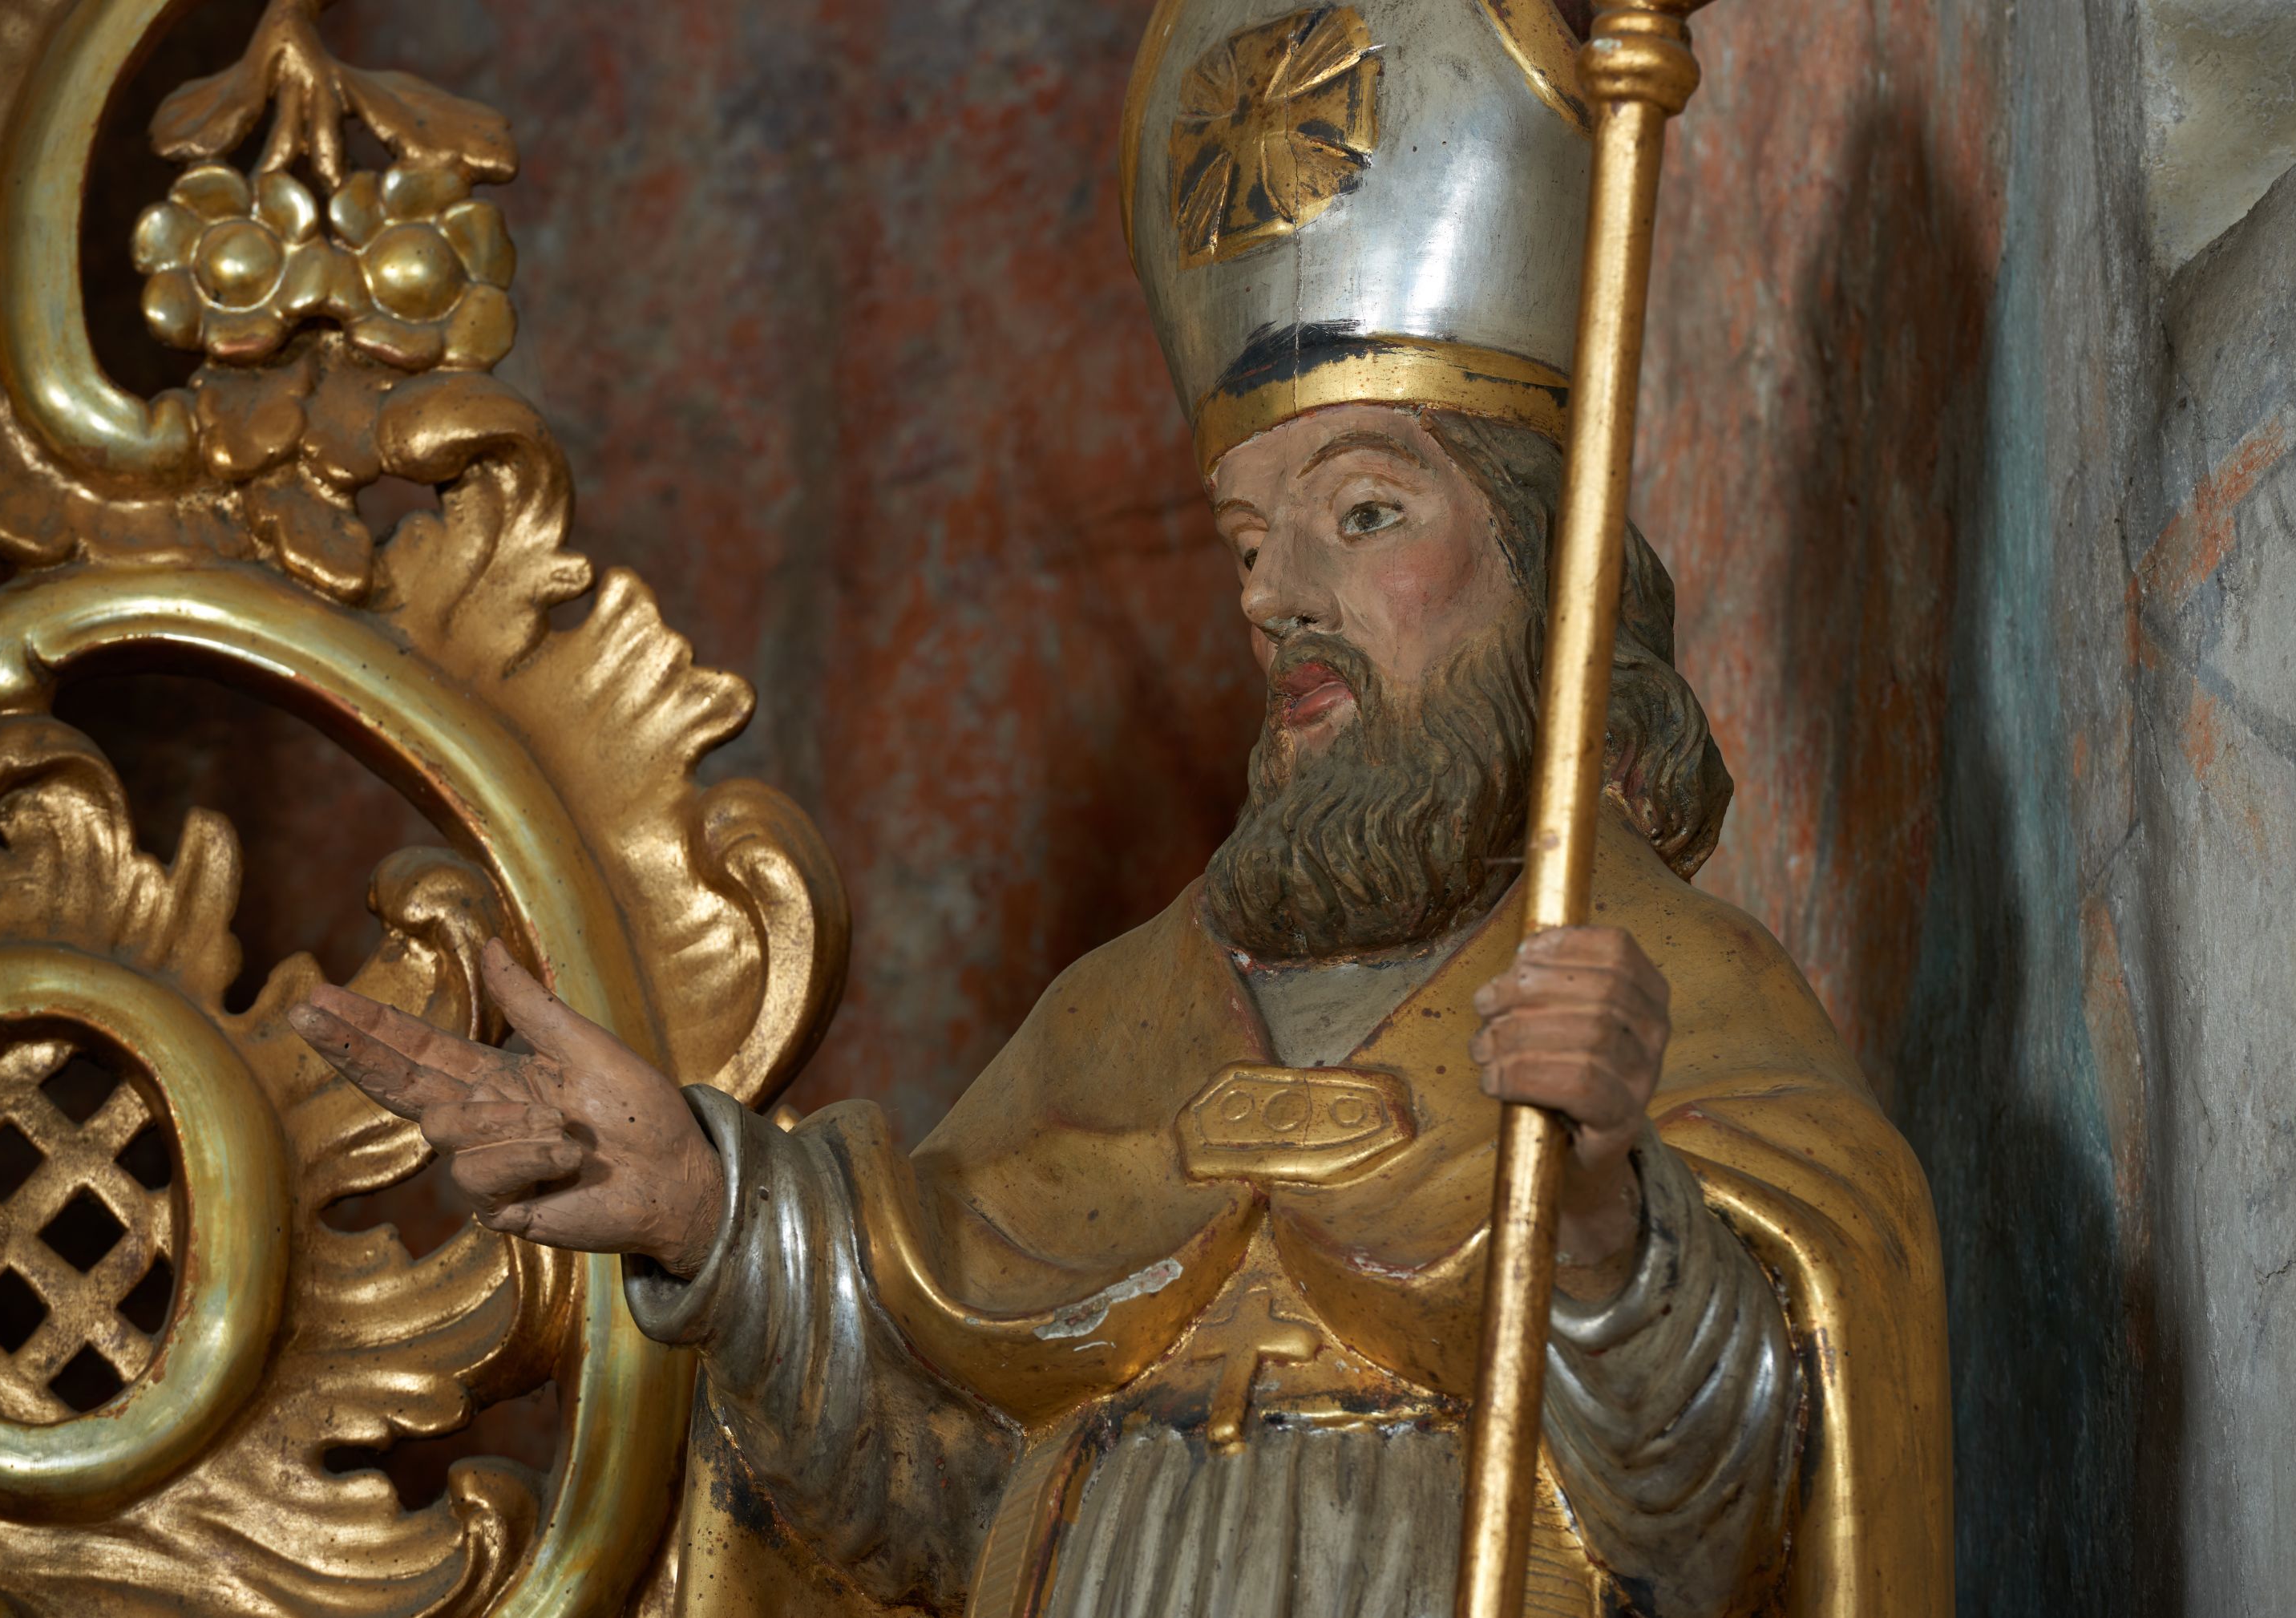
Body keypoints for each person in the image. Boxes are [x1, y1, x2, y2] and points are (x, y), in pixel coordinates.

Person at [293, 4, 1950, 1613]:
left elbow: (1738, 1523)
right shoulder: (1121, 1020)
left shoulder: (1690, 1005)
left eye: (1366, 513)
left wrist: (1603, 1215)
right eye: (1248, 544)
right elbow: (923, 1491)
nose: (1276, 599)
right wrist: (711, 1215)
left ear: (1549, 568)